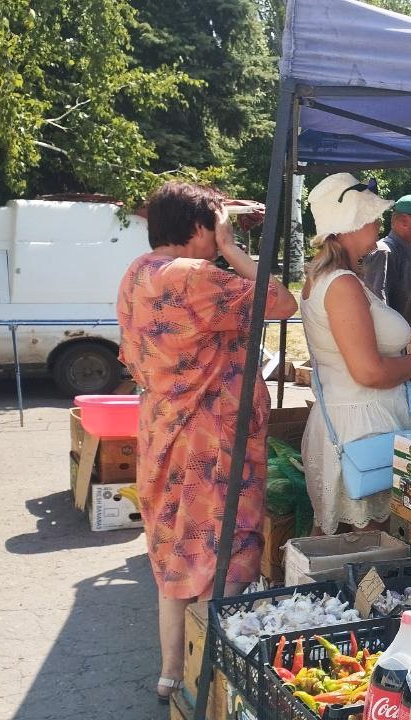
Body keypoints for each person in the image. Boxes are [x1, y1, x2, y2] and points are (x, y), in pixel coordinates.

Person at [116, 182, 299, 703]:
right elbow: (280, 301)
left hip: (160, 435)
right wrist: (233, 249)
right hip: (212, 446)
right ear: (199, 227)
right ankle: (210, 681)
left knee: (176, 558)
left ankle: (171, 670)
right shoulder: (196, 277)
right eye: (219, 224)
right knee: (225, 557)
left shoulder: (138, 273)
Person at [301, 173, 411, 535]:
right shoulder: (341, 284)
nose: (376, 223)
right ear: (350, 226)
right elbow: (368, 372)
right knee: (364, 541)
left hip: (353, 419)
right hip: (361, 425)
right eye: (370, 217)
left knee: (341, 541)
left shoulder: (329, 277)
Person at [360, 193, 411, 346]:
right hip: (395, 353)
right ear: (404, 221)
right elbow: (378, 310)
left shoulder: (409, 252)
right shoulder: (384, 253)